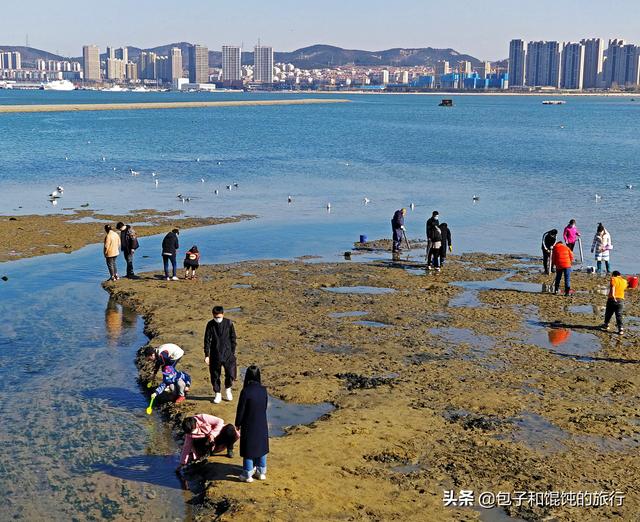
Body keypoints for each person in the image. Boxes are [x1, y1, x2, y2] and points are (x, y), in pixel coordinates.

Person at [235, 365, 269, 483]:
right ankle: (261, 472)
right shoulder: (263, 390)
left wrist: (238, 423)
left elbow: (241, 410)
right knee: (262, 447)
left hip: (249, 424)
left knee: (248, 449)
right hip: (262, 422)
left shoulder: (245, 391)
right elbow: (264, 406)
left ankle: (248, 474)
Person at [204, 306, 237, 404]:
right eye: (216, 317)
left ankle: (228, 389)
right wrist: (207, 355)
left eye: (219, 317)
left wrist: (232, 351)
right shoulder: (210, 325)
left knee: (231, 373)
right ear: (213, 315)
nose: (217, 319)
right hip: (215, 353)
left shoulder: (229, 323)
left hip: (228, 353)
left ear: (223, 314)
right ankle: (217, 393)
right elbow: (207, 341)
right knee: (215, 375)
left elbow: (233, 338)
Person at [601, 271, 628, 335]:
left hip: (612, 299)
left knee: (608, 312)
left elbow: (613, 286)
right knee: (619, 315)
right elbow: (624, 288)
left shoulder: (613, 279)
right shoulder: (624, 281)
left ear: (613, 275)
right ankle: (620, 329)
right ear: (619, 275)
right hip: (620, 300)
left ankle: (606, 324)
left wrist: (613, 295)